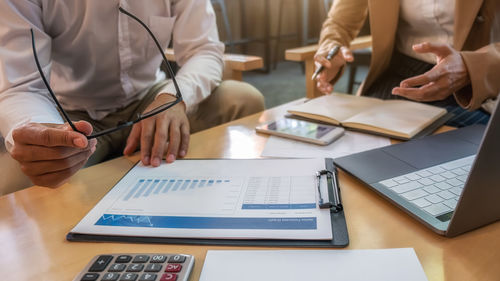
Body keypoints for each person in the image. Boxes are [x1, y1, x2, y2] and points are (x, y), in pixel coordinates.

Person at [0, 1, 265, 194]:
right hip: (70, 116)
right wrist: (40, 132)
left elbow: (204, 50)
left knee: (242, 99)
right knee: (16, 181)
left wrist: (172, 98)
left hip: (149, 97)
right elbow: (22, 86)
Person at [314, 0, 499, 127]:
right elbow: (339, 22)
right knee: (359, 134)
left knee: (463, 151)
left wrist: (471, 66)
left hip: (474, 83)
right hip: (399, 75)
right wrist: (330, 48)